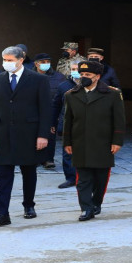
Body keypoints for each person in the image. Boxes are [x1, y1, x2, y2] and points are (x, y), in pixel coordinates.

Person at [0, 46, 51, 226]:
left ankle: (29, 205)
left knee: (28, 172)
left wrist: (43, 135)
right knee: (4, 174)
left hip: (29, 134)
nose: (7, 63)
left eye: (10, 60)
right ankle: (2, 213)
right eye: (4, 60)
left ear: (21, 60)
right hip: (3, 134)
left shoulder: (39, 80)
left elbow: (46, 109)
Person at [63, 61, 125, 221]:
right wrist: (67, 142)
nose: (84, 78)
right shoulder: (71, 95)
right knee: (83, 179)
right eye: (82, 75)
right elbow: (68, 121)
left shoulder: (112, 94)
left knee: (100, 178)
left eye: (88, 75)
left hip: (103, 143)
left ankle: (96, 203)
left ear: (97, 77)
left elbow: (119, 120)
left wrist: (117, 141)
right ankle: (86, 208)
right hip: (80, 142)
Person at [51, 60, 81, 189]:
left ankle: (84, 177)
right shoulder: (63, 86)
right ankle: (70, 178)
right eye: (73, 69)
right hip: (67, 124)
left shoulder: (91, 85)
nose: (76, 72)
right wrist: (52, 123)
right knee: (67, 152)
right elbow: (56, 105)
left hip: (85, 125)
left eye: (78, 69)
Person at [33, 53, 66, 169]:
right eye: (43, 62)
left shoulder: (59, 77)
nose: (46, 64)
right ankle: (35, 158)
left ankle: (48, 159)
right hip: (33, 111)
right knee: (32, 134)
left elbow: (62, 95)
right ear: (36, 64)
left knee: (50, 135)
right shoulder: (29, 76)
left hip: (51, 110)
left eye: (48, 62)